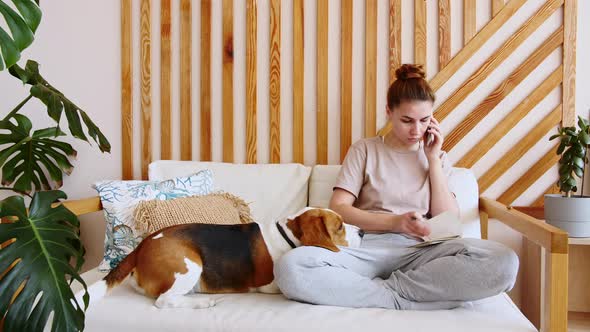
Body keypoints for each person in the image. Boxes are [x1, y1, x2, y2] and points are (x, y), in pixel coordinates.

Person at [273, 64, 519, 310]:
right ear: (389, 112)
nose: (417, 130)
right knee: (291, 266)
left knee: (504, 261)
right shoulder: (365, 149)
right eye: (407, 120)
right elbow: (339, 208)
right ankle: (409, 299)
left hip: (424, 252)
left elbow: (448, 219)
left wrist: (432, 159)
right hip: (369, 250)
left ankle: (391, 293)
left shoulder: (438, 158)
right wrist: (395, 222)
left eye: (424, 120)